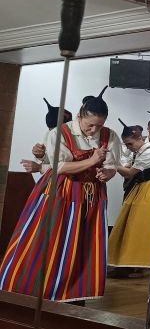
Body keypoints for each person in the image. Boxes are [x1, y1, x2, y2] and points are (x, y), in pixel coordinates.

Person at [0, 86, 121, 303]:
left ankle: (74, 291)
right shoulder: (60, 133)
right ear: (79, 117)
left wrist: (106, 173)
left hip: (90, 196)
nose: (93, 130)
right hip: (60, 191)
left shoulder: (110, 135)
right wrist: (92, 161)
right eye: (89, 124)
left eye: (99, 125)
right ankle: (37, 286)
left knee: (83, 242)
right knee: (50, 237)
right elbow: (59, 167)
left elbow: (113, 165)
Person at [108, 118, 150, 277]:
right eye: (126, 144)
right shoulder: (138, 151)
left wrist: (112, 163)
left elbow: (130, 172)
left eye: (130, 144)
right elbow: (126, 166)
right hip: (140, 189)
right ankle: (127, 262)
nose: (128, 147)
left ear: (140, 138)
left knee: (143, 227)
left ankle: (144, 266)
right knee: (130, 225)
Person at [21, 98, 72, 174]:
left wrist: (40, 168)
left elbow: (67, 165)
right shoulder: (49, 134)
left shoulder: (72, 134)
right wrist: (42, 156)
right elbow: (55, 159)